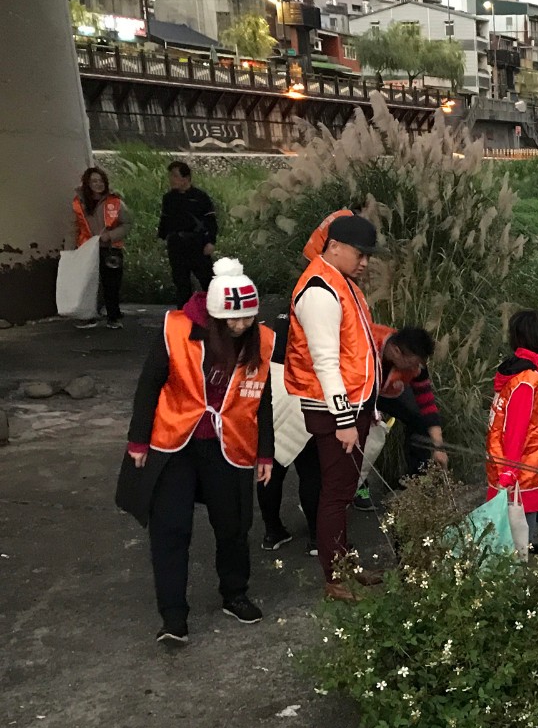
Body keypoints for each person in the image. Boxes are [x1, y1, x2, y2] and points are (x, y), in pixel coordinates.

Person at [122, 259, 273, 645]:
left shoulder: (262, 340)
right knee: (170, 528)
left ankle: (234, 594)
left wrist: (265, 454)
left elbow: (264, 402)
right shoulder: (177, 330)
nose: (241, 327)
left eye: (248, 319)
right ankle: (173, 617)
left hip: (231, 444)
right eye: (233, 321)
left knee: (234, 525)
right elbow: (149, 386)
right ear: (214, 316)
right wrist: (138, 442)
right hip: (176, 442)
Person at [284, 211, 385, 600]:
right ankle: (335, 577)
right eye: (360, 254)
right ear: (335, 247)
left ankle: (346, 564)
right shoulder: (319, 291)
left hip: (351, 405)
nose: (366, 262)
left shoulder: (338, 281)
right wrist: (344, 419)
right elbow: (325, 362)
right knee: (336, 492)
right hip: (334, 411)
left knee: (341, 490)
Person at [486, 309, 538, 554]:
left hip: (536, 472)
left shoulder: (518, 373)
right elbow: (515, 428)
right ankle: (527, 586)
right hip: (524, 477)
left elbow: (530, 416)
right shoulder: (527, 379)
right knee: (521, 544)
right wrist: (509, 472)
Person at [353, 325, 447, 511]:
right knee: (359, 430)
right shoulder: (365, 344)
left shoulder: (414, 366)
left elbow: (427, 405)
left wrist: (439, 446)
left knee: (419, 420)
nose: (416, 368)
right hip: (358, 389)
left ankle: (414, 484)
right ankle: (359, 485)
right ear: (396, 351)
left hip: (390, 391)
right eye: (413, 363)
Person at [257, 313, 322, 554]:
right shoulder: (318, 311)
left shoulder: (281, 318)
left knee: (270, 470)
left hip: (273, 395)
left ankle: (272, 533)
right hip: (305, 395)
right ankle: (316, 538)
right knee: (311, 472)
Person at [71, 167, 128, 330]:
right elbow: (74, 226)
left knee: (112, 284)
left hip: (110, 248)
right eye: (94, 181)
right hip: (87, 249)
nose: (98, 184)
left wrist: (110, 236)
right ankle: (88, 316)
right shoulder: (78, 202)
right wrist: (71, 249)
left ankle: (113, 316)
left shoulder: (115, 201)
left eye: (101, 181)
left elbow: (127, 224)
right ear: (87, 184)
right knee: (87, 284)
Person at [157, 161, 218, 307]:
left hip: (197, 244)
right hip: (177, 245)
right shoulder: (169, 198)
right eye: (170, 176)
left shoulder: (200, 197)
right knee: (181, 283)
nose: (171, 179)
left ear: (186, 178)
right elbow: (165, 219)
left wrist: (210, 241)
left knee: (208, 281)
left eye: (175, 176)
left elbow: (211, 221)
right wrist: (162, 237)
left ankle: (215, 313)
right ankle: (183, 317)